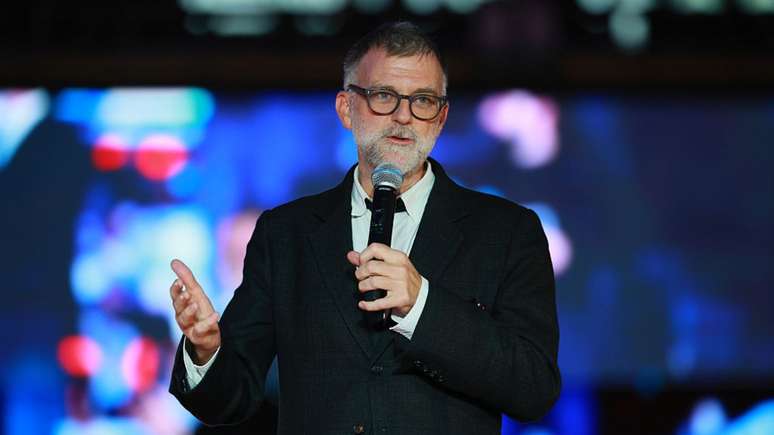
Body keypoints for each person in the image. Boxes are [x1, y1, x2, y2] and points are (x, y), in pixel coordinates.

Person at [169, 21, 560, 434]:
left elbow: (533, 388)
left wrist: (422, 306)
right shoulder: (285, 234)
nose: (404, 116)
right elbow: (231, 397)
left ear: (441, 117)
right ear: (346, 108)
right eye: (384, 96)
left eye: (423, 100)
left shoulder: (507, 232)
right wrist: (206, 350)